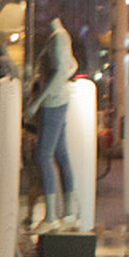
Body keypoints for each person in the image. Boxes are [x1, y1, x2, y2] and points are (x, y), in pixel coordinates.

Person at [25, 18, 78, 231]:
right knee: (60, 155)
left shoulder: (58, 39)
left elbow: (59, 72)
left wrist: (37, 102)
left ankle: (51, 217)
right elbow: (72, 66)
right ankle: (69, 213)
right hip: (58, 100)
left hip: (53, 103)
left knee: (44, 155)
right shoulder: (61, 36)